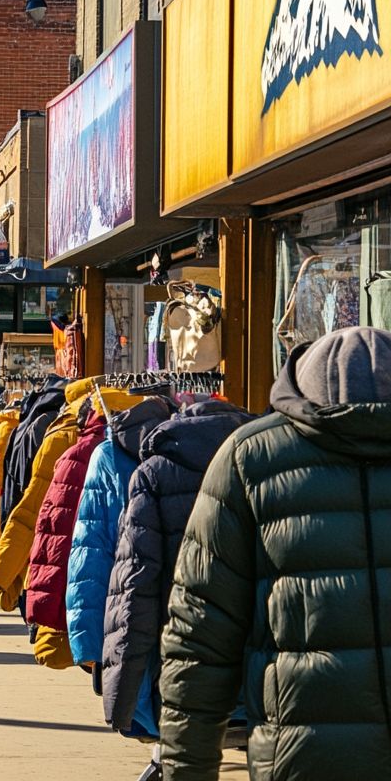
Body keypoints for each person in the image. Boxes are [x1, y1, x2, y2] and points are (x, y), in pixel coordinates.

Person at [158, 327, 391, 779]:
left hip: (299, 757)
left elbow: (200, 634)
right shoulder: (250, 459)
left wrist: (187, 767)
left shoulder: (249, 458)